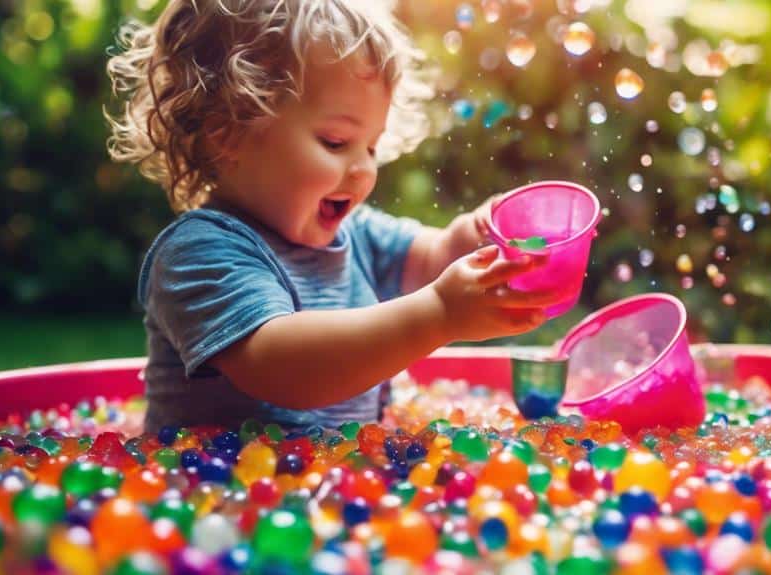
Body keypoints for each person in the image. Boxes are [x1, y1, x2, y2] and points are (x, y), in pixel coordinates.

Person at [105, 0, 562, 433]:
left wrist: (483, 233)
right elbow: (283, 367)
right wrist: (439, 314)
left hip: (336, 492)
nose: (364, 168)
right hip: (224, 500)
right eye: (336, 142)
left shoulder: (354, 233)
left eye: (371, 146)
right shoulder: (200, 252)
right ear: (227, 133)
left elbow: (434, 256)